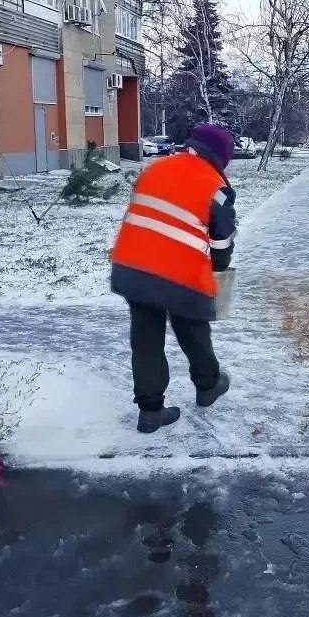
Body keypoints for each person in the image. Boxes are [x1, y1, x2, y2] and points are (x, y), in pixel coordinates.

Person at [110, 123, 236, 433]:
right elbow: (222, 241)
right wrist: (217, 272)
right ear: (219, 157)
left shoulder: (155, 168)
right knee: (192, 325)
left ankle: (150, 412)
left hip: (132, 267)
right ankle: (208, 385)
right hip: (179, 275)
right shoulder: (215, 189)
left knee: (146, 340)